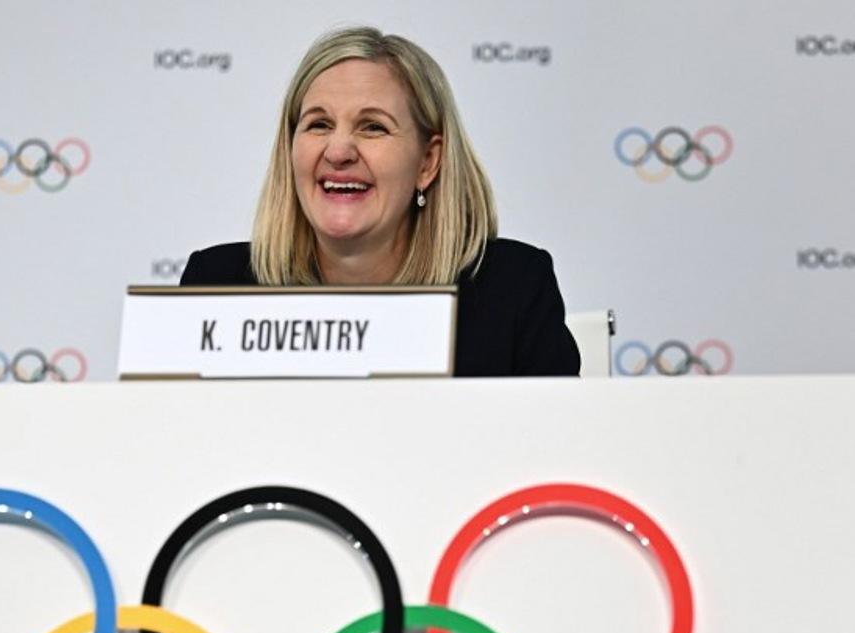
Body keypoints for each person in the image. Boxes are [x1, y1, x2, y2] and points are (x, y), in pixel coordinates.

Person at [180, 27, 580, 377]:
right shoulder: (216, 285)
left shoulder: (513, 290)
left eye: (373, 127)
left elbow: (555, 452)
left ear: (428, 161)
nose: (338, 151)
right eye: (319, 124)